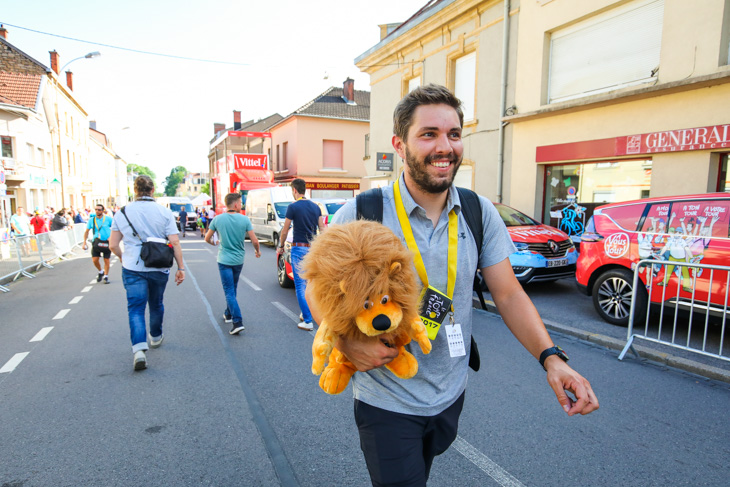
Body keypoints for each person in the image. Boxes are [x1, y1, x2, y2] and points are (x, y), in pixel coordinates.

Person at [320, 84, 599, 486]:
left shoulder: (477, 210)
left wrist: (551, 358)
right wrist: (344, 343)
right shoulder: (365, 211)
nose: (445, 146)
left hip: (451, 391)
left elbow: (508, 293)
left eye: (453, 134)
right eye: (429, 134)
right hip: (387, 398)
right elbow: (318, 290)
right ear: (400, 145)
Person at [109, 175, 185, 371]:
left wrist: (122, 257)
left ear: (135, 191)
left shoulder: (122, 213)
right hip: (159, 266)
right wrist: (181, 268)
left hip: (132, 267)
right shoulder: (164, 212)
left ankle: (139, 350)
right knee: (156, 303)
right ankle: (156, 336)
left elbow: (113, 245)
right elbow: (174, 242)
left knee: (135, 308)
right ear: (152, 191)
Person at [205, 193, 261, 335]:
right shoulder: (244, 219)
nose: (241, 204)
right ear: (235, 204)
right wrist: (257, 251)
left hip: (224, 260)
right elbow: (255, 241)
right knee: (232, 288)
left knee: (229, 290)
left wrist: (214, 243)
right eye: (240, 202)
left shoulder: (217, 219)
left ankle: (237, 321)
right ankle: (228, 314)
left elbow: (207, 238)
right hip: (238, 260)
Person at [278, 178, 325, 331]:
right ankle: (305, 311)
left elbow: (285, 230)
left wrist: (280, 246)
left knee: (300, 285)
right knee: (310, 284)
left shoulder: (293, 207)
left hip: (298, 248)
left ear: (295, 190)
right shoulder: (316, 207)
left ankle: (308, 321)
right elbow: (322, 228)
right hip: (313, 249)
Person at [82, 204, 113, 284]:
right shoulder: (92, 220)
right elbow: (86, 231)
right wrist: (84, 242)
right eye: (96, 209)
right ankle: (100, 271)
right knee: (95, 260)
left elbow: (115, 228)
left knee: (106, 259)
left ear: (103, 211)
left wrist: (111, 238)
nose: (97, 211)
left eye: (99, 209)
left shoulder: (108, 219)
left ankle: (106, 276)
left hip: (106, 242)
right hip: (96, 242)